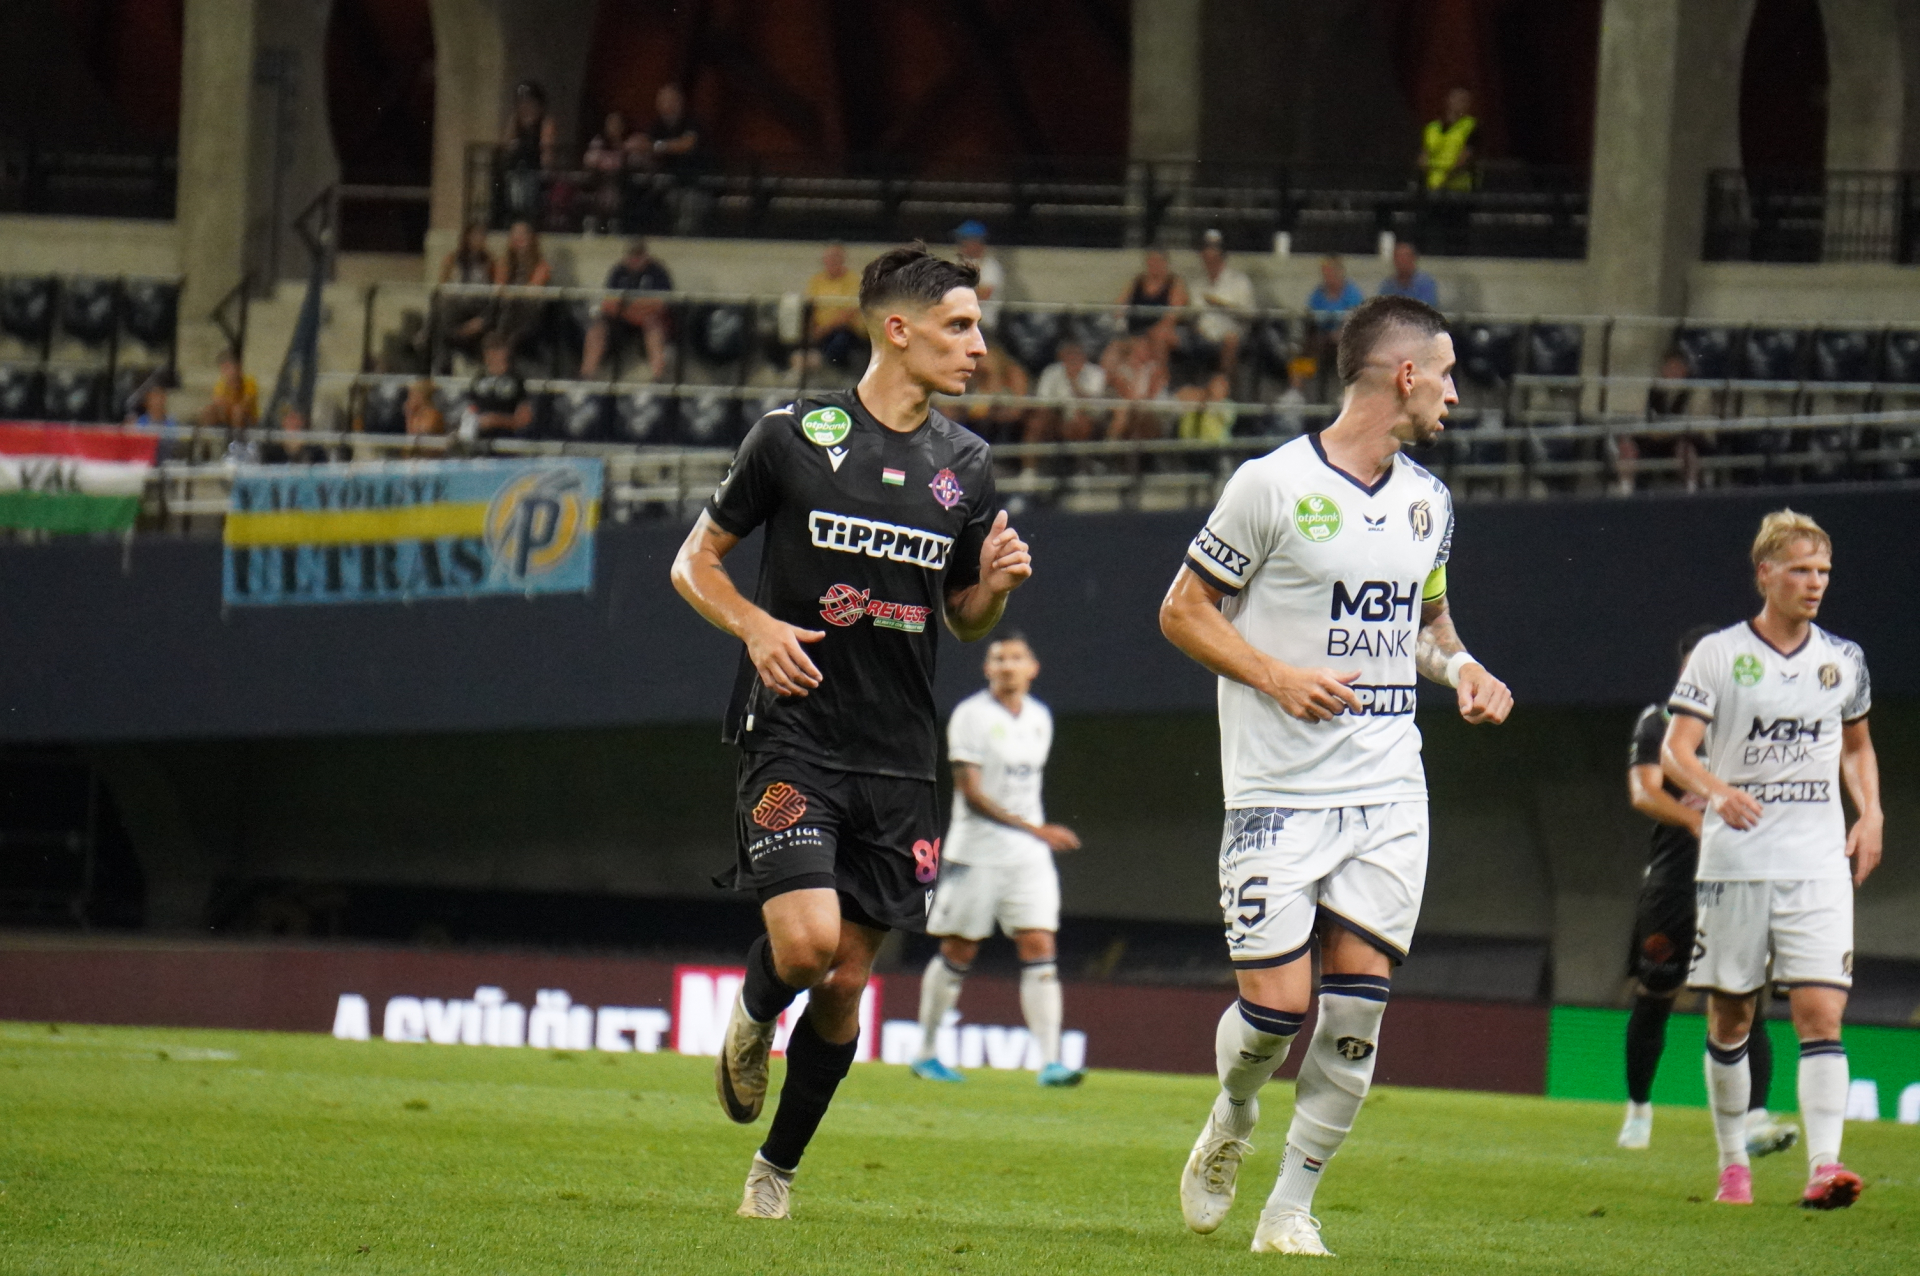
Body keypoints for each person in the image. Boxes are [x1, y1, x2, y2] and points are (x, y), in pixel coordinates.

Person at [669, 243, 1031, 1222]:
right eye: (960, 325)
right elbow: (694, 563)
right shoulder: (792, 436)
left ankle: (774, 1172)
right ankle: (753, 1015)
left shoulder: (966, 464)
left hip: (899, 758)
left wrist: (994, 587)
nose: (979, 345)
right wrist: (755, 625)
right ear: (897, 329)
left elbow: (962, 617)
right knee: (807, 946)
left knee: (846, 981)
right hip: (794, 731)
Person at [1159, 294, 1512, 1257]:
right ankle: (1233, 1112)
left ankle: (1290, 1208)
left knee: (1356, 1014)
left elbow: (1426, 629)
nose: (1454, 393)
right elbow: (1183, 611)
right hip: (1277, 791)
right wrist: (1277, 675)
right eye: (1445, 373)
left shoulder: (1430, 502)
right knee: (1274, 1014)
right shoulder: (1269, 486)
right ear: (1404, 374)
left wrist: (1464, 669)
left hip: (1389, 788)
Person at [1661, 509, 1881, 1210]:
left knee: (1821, 1012)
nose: (1815, 583)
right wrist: (1717, 791)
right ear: (1765, 573)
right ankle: (1734, 1165)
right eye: (1800, 570)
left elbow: (1856, 746)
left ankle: (1825, 1166)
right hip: (1737, 861)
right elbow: (1676, 750)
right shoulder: (1720, 654)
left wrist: (1871, 812)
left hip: (1816, 859)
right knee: (1731, 1018)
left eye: (1823, 572)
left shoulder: (1843, 659)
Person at [1618, 626, 1797, 1156]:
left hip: (1738, 878)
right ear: (1686, 670)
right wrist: (1698, 821)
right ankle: (1638, 1109)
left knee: (1744, 996)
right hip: (1675, 881)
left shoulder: (1751, 725)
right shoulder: (1660, 721)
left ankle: (1755, 1118)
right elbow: (1643, 792)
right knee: (1656, 994)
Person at [910, 633, 1085, 1088]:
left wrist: (1033, 837)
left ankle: (1051, 1062)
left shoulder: (1040, 717)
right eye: (998, 658)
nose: (1007, 665)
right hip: (977, 852)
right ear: (987, 669)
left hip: (1027, 857)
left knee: (1039, 944)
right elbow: (971, 793)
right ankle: (925, 1053)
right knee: (959, 949)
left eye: (1016, 657)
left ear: (1033, 667)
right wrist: (1037, 830)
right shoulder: (971, 716)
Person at [581, 239, 672, 380]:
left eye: (639, 255)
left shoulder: (657, 272)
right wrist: (632, 308)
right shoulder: (619, 271)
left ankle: (658, 378)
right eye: (632, 255)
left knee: (654, 327)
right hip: (622, 320)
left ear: (646, 255)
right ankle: (586, 376)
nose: (635, 259)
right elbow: (609, 303)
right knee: (597, 329)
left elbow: (661, 303)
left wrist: (631, 305)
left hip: (647, 319)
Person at [1192, 229, 1254, 375]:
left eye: (1214, 249)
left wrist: (1222, 305)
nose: (1209, 254)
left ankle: (1224, 386)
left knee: (1231, 340)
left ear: (1222, 253)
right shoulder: (1196, 284)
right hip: (1201, 337)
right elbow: (1191, 314)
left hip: (1230, 335)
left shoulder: (1239, 281)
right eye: (1206, 249)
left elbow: (1250, 315)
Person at [1026, 338, 1106, 450]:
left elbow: (1094, 404)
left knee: (1081, 420)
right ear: (1061, 356)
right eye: (1069, 355)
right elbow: (1042, 400)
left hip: (1087, 414)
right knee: (1037, 422)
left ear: (1084, 356)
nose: (1073, 358)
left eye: (1077, 355)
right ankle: (1029, 461)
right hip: (1057, 412)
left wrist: (1074, 382)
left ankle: (1079, 459)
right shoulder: (1051, 371)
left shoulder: (1096, 373)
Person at [437, 223, 497, 368]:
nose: (478, 239)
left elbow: (493, 290)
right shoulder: (453, 259)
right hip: (457, 306)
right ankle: (443, 362)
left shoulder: (489, 261)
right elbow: (442, 285)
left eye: (481, 236)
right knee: (440, 307)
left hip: (478, 306)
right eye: (474, 236)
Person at [491, 220, 552, 356]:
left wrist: (513, 293)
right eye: (515, 234)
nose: (519, 238)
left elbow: (534, 288)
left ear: (531, 238)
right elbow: (499, 286)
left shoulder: (540, 264)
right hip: (506, 309)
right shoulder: (504, 262)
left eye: (523, 234)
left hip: (530, 311)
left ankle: (506, 350)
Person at [500, 81, 557, 224]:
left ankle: (528, 221)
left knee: (530, 191)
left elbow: (546, 149)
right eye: (522, 102)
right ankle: (514, 219)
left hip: (534, 169)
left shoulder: (545, 122)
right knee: (513, 190)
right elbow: (507, 144)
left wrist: (545, 164)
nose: (525, 106)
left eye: (530, 102)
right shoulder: (515, 121)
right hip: (516, 168)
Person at [802, 244, 864, 371]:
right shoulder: (817, 280)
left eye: (836, 258)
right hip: (819, 329)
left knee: (840, 340)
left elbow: (849, 313)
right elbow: (810, 306)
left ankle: (825, 365)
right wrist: (811, 327)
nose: (832, 262)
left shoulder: (853, 280)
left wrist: (823, 330)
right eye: (829, 259)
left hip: (845, 330)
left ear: (842, 260)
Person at [1119, 248, 1187, 359]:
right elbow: (1120, 305)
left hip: (1161, 330)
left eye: (1158, 261)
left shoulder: (1175, 283)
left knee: (1159, 339)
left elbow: (1174, 314)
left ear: (1165, 263)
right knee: (1114, 350)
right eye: (1151, 261)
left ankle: (1159, 369)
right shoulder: (1137, 281)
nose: (1154, 264)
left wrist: (1150, 334)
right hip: (1135, 331)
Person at [1104, 334, 1169, 442]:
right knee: (1122, 413)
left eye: (1145, 349)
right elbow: (1126, 394)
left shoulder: (1153, 369)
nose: (1144, 352)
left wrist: (1142, 372)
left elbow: (1152, 392)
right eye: (1140, 349)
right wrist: (1136, 372)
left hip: (1149, 404)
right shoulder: (1123, 369)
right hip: (1128, 404)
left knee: (1143, 413)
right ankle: (1110, 445)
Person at [468, 335, 532, 438]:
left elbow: (524, 419)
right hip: (479, 434)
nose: (495, 356)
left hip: (508, 436)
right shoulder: (478, 380)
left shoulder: (516, 381)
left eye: (498, 351)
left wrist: (496, 420)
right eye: (491, 351)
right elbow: (470, 409)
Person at [952, 221, 1005, 334]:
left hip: (981, 325)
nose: (961, 244)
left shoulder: (990, 266)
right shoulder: (957, 263)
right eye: (961, 240)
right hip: (956, 322)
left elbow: (983, 294)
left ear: (977, 242)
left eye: (965, 240)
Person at [1306, 256, 1364, 340]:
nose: (1326, 277)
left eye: (1330, 273)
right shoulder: (1318, 293)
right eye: (1324, 273)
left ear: (1339, 272)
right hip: (1321, 337)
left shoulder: (1352, 293)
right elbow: (1310, 315)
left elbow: (1357, 318)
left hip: (1346, 338)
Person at [201, 348, 258, 430]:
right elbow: (217, 402)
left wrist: (235, 388)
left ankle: (237, 437)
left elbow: (246, 403)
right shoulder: (221, 384)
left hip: (247, 418)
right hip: (227, 415)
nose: (227, 372)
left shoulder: (249, 382)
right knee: (208, 410)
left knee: (238, 411)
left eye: (228, 368)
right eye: (224, 369)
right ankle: (206, 435)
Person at [1377, 242, 1439, 308]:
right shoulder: (1387, 285)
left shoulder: (1426, 282)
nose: (1401, 261)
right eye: (1398, 257)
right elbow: (1381, 307)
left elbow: (1428, 308)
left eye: (1405, 256)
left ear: (1413, 258)